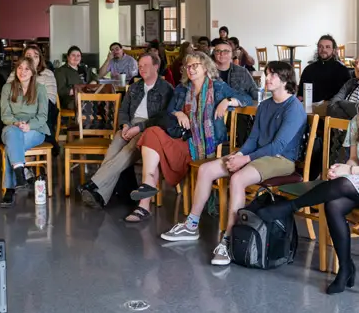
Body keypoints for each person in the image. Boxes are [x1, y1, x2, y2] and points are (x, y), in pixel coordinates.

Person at [256, 81, 359, 294]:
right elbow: (354, 160)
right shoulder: (357, 121)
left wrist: (349, 172)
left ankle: (291, 207)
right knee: (333, 205)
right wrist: (343, 168)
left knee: (344, 183)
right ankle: (345, 268)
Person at [161, 61, 306, 266]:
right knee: (205, 169)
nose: (267, 78)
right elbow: (253, 139)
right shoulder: (265, 105)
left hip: (281, 160)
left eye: (272, 75)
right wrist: (239, 154)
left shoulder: (294, 108)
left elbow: (277, 146)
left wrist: (245, 159)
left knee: (237, 179)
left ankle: (229, 240)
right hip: (257, 154)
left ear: (286, 80)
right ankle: (191, 225)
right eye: (267, 74)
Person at [125, 52, 252, 222]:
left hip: (205, 147)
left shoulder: (219, 88)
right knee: (151, 133)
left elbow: (247, 98)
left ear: (205, 67)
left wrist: (227, 101)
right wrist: (179, 113)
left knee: (152, 139)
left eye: (195, 66)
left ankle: (144, 204)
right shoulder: (182, 89)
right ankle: (147, 187)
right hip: (183, 141)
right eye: (188, 66)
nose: (190, 69)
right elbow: (169, 111)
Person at [78, 54, 174, 209]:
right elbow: (123, 110)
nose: (142, 69)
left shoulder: (166, 89)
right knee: (114, 148)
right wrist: (125, 126)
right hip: (130, 125)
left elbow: (162, 119)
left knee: (128, 151)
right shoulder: (135, 86)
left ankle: (95, 183)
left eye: (146, 65)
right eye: (140, 66)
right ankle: (100, 194)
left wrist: (139, 128)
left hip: (150, 129)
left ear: (156, 66)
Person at [0, 57, 50, 207]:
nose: (23, 71)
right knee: (13, 136)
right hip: (12, 127)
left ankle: (10, 188)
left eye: (27, 68)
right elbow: (5, 115)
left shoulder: (40, 89)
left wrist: (29, 125)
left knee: (12, 145)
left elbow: (43, 116)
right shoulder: (8, 88)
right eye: (20, 68)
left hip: (35, 129)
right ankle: (20, 176)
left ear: (33, 72)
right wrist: (15, 123)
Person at [298, 35, 351, 102]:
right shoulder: (308, 70)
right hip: (310, 108)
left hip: (333, 107)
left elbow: (347, 96)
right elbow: (300, 95)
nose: (324, 50)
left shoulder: (342, 70)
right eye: (320, 47)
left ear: (334, 50)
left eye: (327, 47)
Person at [55, 46, 96, 110]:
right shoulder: (60, 71)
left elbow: (95, 77)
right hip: (70, 100)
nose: (76, 58)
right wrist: (77, 90)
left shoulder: (84, 69)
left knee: (106, 100)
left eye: (78, 55)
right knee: (85, 104)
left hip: (87, 97)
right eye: (73, 55)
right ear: (68, 57)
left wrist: (93, 82)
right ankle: (83, 118)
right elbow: (61, 90)